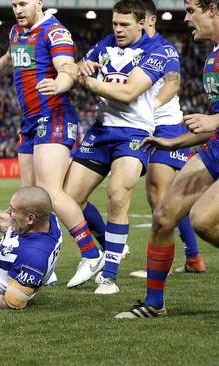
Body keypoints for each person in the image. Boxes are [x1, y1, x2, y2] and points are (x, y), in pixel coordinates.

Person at [0, 0, 91, 283]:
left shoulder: (54, 31)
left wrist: (60, 83)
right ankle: (40, 262)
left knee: (49, 190)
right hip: (30, 120)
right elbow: (10, 57)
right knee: (29, 199)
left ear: (39, 2)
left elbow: (67, 67)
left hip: (54, 114)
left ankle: (90, 255)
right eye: (13, 4)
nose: (18, 9)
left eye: (23, 3)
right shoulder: (17, 31)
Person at [116, 0, 219, 318]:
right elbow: (210, 124)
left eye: (191, 10)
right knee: (163, 217)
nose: (186, 18)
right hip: (215, 148)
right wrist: (173, 141)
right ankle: (154, 304)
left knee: (202, 219)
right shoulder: (212, 57)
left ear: (213, 9)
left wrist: (215, 122)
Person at [59, 0, 170, 294]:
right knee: (69, 199)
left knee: (117, 197)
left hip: (134, 133)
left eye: (125, 25)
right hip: (101, 130)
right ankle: (110, 248)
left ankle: (108, 277)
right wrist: (78, 66)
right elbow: (76, 67)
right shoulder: (104, 45)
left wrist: (88, 82)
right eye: (115, 24)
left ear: (143, 23)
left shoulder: (156, 52)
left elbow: (128, 94)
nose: (118, 30)